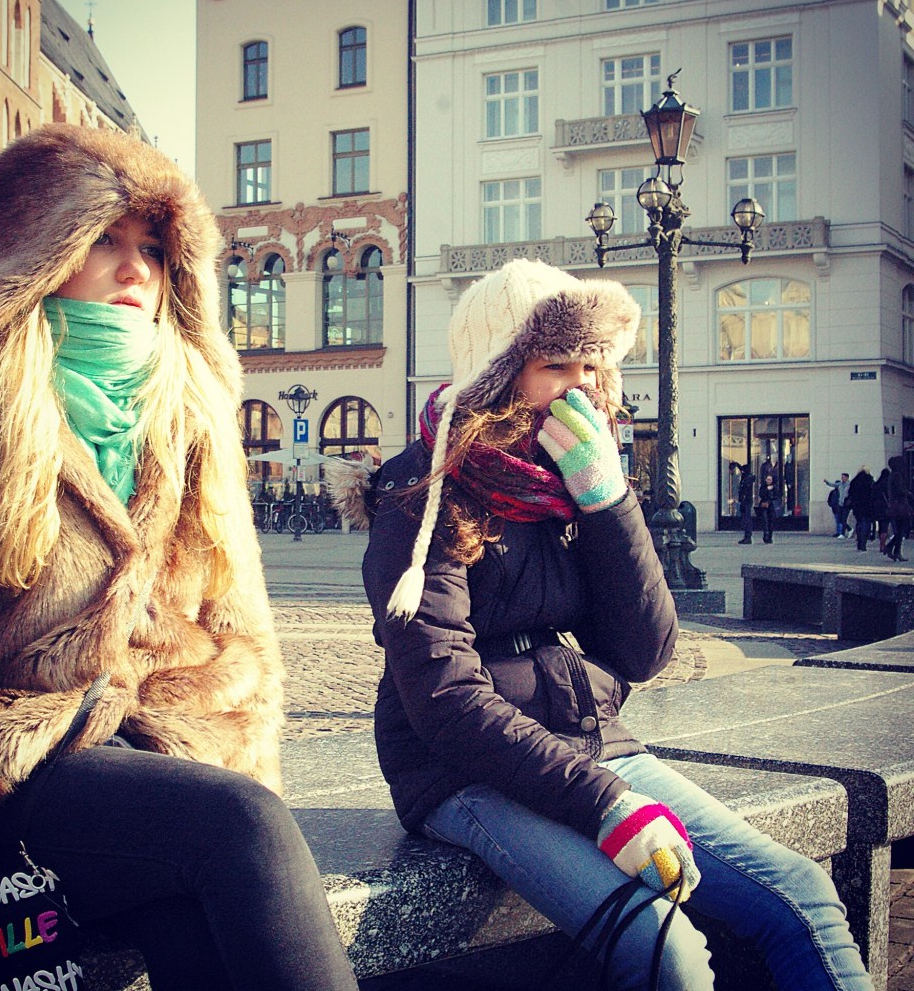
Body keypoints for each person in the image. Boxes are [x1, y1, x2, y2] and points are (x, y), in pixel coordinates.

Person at [0, 126, 359, 991]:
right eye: (104, 238)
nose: (137, 270)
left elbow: (241, 630)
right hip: (10, 778)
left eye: (153, 248)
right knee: (238, 828)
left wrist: (208, 728)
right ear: (31, 249)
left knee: (198, 914)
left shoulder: (186, 421)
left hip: (162, 769)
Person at [330, 259, 872, 991]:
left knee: (800, 893)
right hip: (461, 771)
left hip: (591, 741)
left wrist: (610, 501)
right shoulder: (418, 492)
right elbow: (445, 701)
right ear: (497, 372)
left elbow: (644, 651)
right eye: (557, 363)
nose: (582, 383)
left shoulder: (567, 480)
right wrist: (606, 805)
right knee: (661, 948)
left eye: (594, 362)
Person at [885, 455, 913, 562]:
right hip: (900, 505)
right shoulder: (898, 475)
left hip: (895, 505)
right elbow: (900, 490)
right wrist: (909, 493)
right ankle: (893, 549)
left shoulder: (892, 474)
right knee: (903, 528)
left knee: (901, 529)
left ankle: (895, 550)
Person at [847, 466, 875, 553]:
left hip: (857, 506)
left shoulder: (855, 481)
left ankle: (859, 542)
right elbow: (873, 493)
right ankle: (863, 543)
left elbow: (850, 493)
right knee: (866, 523)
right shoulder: (870, 480)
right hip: (867, 506)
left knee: (859, 523)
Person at [732, 461, 755, 544]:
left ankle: (748, 536)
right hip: (744, 501)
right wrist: (736, 464)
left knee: (747, 518)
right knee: (745, 518)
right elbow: (741, 469)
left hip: (746, 501)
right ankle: (747, 536)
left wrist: (743, 498)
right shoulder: (746, 477)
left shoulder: (747, 479)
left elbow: (745, 491)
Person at [824, 473, 851, 538]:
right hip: (840, 504)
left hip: (847, 504)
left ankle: (842, 534)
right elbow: (832, 484)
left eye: (843, 477)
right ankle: (849, 529)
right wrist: (826, 482)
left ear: (847, 478)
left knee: (844, 519)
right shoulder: (840, 484)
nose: (842, 479)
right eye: (841, 477)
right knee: (840, 519)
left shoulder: (850, 485)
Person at [874, 466, 892, 554]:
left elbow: (872, 496)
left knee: (880, 526)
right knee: (885, 526)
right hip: (886, 507)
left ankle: (880, 544)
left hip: (877, 508)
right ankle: (883, 544)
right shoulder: (888, 484)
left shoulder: (876, 484)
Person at [757, 473, 779, 544]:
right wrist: (767, 489)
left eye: (770, 479)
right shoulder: (763, 487)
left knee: (771, 522)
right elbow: (761, 494)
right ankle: (765, 535)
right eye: (767, 479)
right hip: (764, 506)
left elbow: (777, 496)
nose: (768, 481)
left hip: (771, 506)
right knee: (765, 521)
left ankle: (770, 536)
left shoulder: (775, 488)